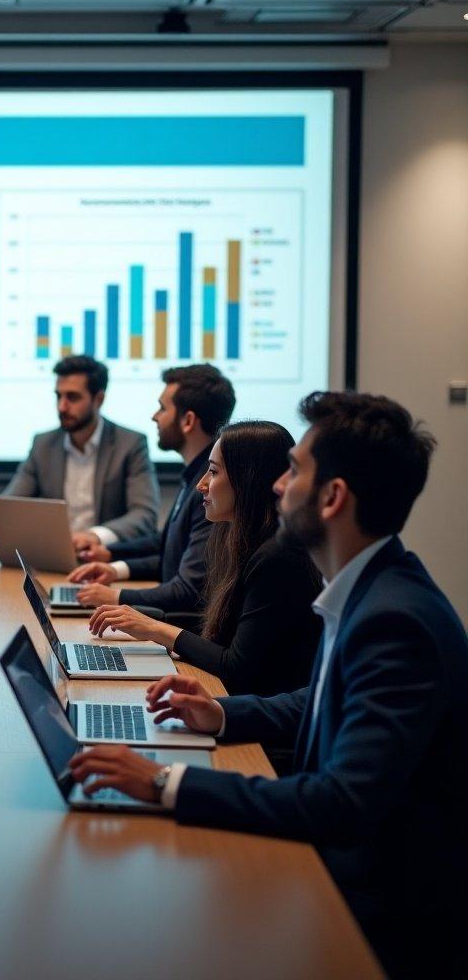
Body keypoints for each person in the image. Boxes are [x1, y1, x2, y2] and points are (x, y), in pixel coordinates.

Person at [68, 391, 468, 978]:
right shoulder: (373, 587)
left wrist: (162, 782)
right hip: (347, 870)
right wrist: (225, 715)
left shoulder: (394, 620)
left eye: (296, 470)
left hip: (380, 913)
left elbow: (342, 804)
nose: (279, 485)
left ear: (333, 498)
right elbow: (323, 698)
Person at [88, 421, 322, 700]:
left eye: (213, 472)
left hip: (255, 722)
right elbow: (222, 635)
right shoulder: (237, 539)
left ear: (247, 478)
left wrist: (154, 629)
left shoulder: (277, 557)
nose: (202, 484)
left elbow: (236, 667)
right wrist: (142, 623)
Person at [70, 363, 236, 611]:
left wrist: (115, 597)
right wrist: (112, 561)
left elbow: (188, 590)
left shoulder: (209, 490)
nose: (154, 416)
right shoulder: (194, 474)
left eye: (162, 408)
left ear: (188, 420)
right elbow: (169, 548)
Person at [0, 354, 158, 552]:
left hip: (105, 559)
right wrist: (3, 533)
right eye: (58, 396)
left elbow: (144, 515)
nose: (62, 406)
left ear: (99, 399)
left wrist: (94, 536)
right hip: (52, 556)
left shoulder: (130, 444)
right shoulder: (43, 444)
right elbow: (10, 507)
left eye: (72, 397)